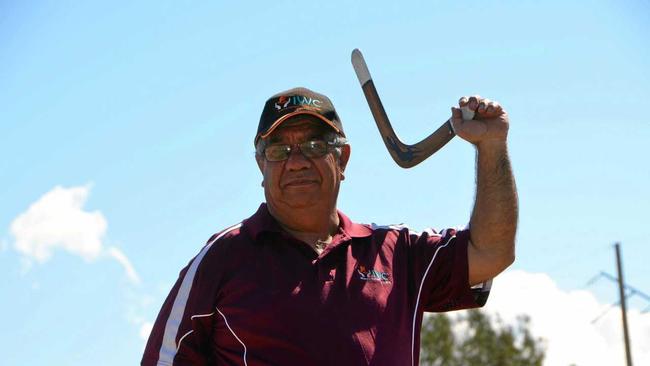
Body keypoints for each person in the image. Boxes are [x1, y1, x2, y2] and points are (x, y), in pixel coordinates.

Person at [142, 87, 517, 366]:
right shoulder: (222, 259)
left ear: (343, 158)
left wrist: (492, 145)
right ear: (262, 166)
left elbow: (491, 251)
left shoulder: (396, 252)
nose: (297, 161)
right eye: (279, 151)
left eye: (315, 145)